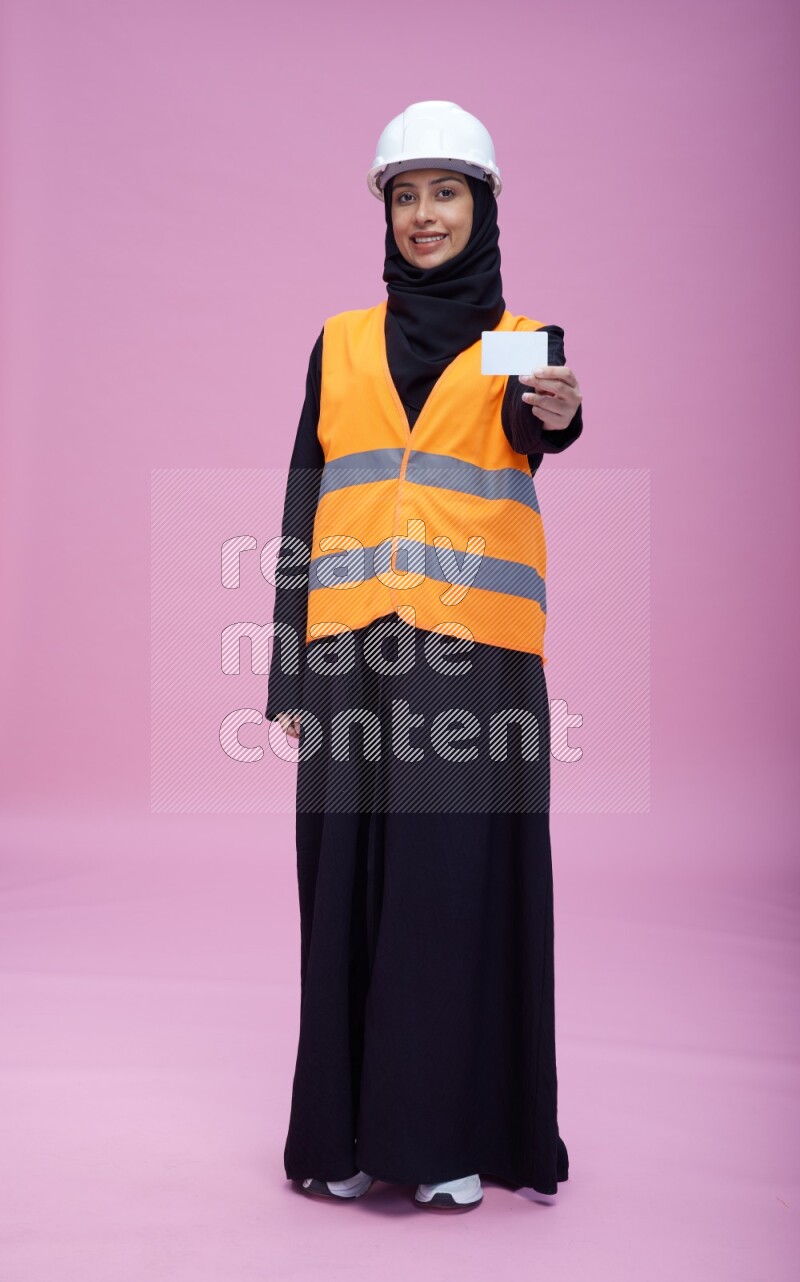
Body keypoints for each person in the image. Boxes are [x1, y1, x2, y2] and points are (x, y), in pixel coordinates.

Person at [265, 100, 583, 1213]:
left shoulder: (521, 340)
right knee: (342, 890)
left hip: (475, 666)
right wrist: (286, 671)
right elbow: (303, 505)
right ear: (386, 212)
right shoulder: (341, 340)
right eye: (405, 195)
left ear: (482, 206)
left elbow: (538, 425)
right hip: (346, 661)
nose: (424, 214)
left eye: (445, 192)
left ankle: (445, 1136)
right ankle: (345, 1134)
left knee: (449, 892)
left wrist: (561, 414)